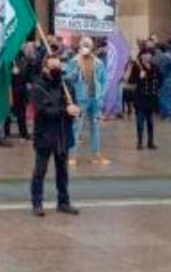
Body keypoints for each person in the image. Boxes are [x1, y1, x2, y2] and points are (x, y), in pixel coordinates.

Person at [30, 54, 80, 217]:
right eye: (53, 67)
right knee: (40, 171)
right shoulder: (38, 87)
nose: (57, 70)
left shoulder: (66, 86)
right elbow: (42, 111)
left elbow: (72, 104)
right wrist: (63, 111)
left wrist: (74, 111)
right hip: (45, 135)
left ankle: (63, 202)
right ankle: (37, 202)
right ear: (45, 68)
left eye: (59, 67)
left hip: (62, 134)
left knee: (63, 171)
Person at [64, 37, 108, 166]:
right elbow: (67, 77)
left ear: (92, 47)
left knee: (95, 127)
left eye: (88, 45)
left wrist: (101, 95)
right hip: (81, 99)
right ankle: (72, 155)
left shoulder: (99, 63)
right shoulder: (74, 61)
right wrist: (74, 73)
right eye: (84, 45)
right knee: (77, 127)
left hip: (95, 99)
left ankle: (96, 155)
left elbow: (104, 80)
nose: (86, 47)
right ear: (79, 46)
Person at [128, 49, 161, 150]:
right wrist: (139, 76)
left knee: (150, 121)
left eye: (149, 54)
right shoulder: (137, 67)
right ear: (141, 56)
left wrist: (157, 89)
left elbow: (160, 78)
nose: (147, 56)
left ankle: (150, 142)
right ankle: (139, 142)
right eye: (145, 54)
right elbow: (131, 81)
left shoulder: (155, 67)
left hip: (151, 97)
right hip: (140, 97)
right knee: (140, 121)